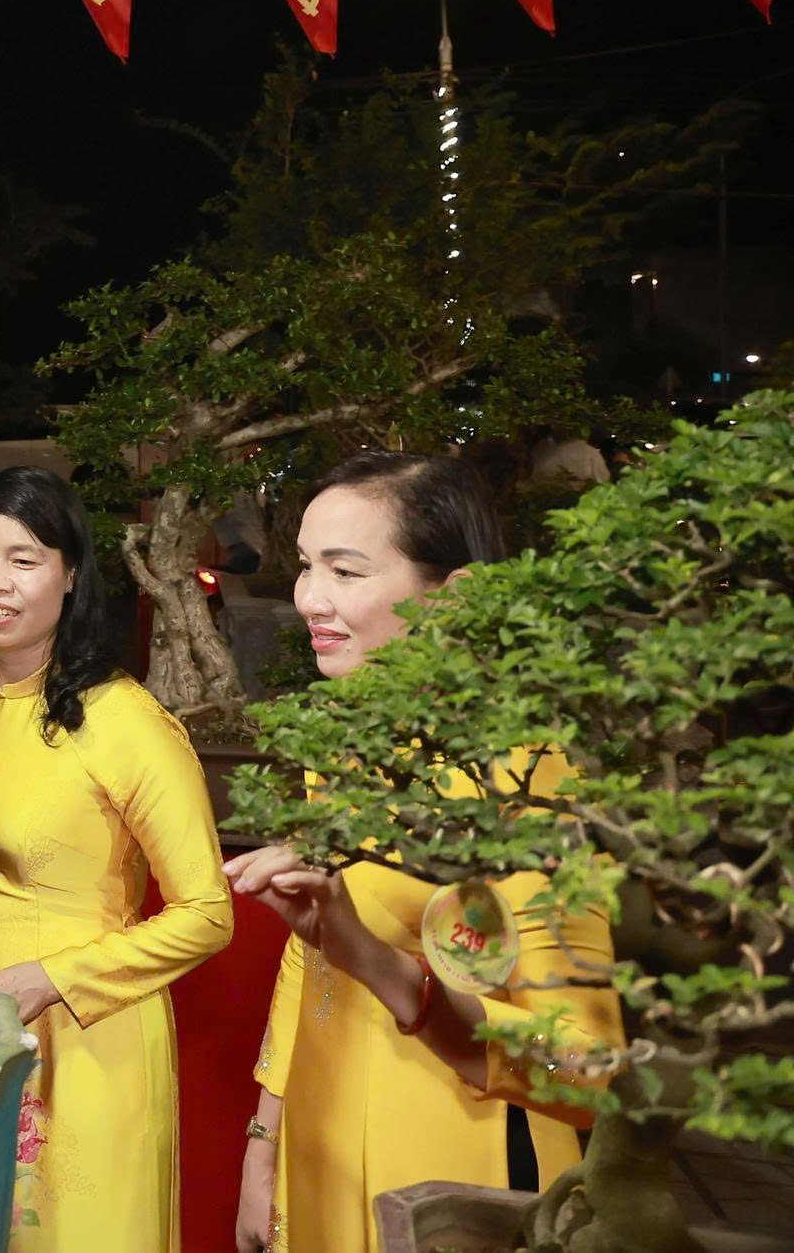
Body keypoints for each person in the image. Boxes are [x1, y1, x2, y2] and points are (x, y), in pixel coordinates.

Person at [227, 454, 623, 1253]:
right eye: (306, 565)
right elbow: (311, 952)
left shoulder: (523, 775)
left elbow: (588, 1066)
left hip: (455, 1170)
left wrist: (393, 976)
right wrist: (264, 1140)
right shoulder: (347, 741)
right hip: (321, 1141)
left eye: (345, 571)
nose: (310, 598)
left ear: (455, 593)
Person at [0, 465, 232, 1253]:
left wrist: (52, 979)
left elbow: (208, 914)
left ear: (71, 574)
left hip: (89, 1032)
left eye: (24, 558)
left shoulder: (129, 723)